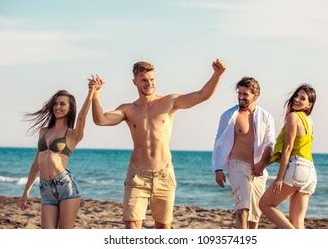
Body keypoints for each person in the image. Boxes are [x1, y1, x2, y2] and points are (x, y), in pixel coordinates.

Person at [89, 59, 225, 229]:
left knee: (163, 229)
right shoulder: (128, 109)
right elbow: (100, 120)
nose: (149, 83)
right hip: (137, 176)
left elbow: (202, 95)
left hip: (164, 175)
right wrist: (95, 94)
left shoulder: (169, 102)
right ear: (135, 82)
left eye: (152, 79)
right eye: (144, 80)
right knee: (131, 227)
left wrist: (217, 74)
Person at [18, 87, 94, 228]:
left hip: (66, 187)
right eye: (55, 103)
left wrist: (91, 93)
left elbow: (82, 117)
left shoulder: (72, 134)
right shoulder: (43, 131)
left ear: (70, 108)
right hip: (45, 189)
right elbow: (36, 165)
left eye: (62, 104)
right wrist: (26, 191)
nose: (57, 107)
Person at [212, 77, 275, 229]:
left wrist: (261, 164)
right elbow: (219, 142)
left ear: (255, 95)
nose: (241, 96)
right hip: (237, 164)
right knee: (243, 207)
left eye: (245, 94)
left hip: (258, 169)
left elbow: (270, 143)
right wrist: (218, 169)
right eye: (239, 93)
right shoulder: (229, 116)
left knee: (254, 215)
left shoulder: (266, 117)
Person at [260, 84, 317, 229]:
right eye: (296, 96)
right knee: (298, 223)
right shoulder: (310, 121)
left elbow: (288, 147)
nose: (297, 99)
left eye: (302, 98)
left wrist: (279, 177)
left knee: (265, 204)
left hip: (297, 166)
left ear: (309, 104)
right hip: (310, 172)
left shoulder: (293, 116)